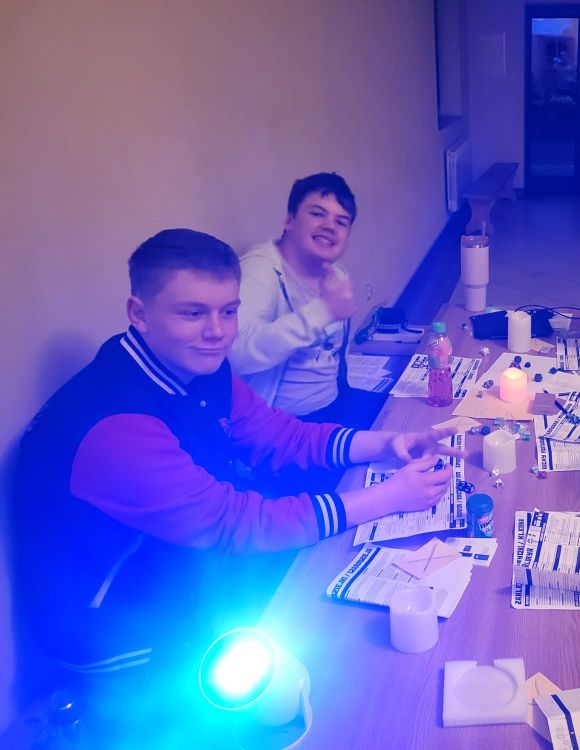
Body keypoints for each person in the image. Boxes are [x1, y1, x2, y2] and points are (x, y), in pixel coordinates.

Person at [12, 229, 458, 736]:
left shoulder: (198, 366)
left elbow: (279, 436)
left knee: (320, 611)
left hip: (182, 561)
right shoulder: (115, 425)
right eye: (193, 313)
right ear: (139, 313)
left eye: (229, 311)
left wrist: (385, 443)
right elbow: (235, 524)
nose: (217, 332)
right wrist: (388, 497)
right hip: (111, 625)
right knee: (310, 679)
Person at [229, 171, 383, 427]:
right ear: (289, 220)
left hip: (334, 403)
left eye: (341, 221)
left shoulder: (336, 274)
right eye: (317, 214)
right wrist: (324, 310)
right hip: (281, 426)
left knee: (410, 416)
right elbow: (237, 353)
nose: (330, 226)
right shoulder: (259, 270)